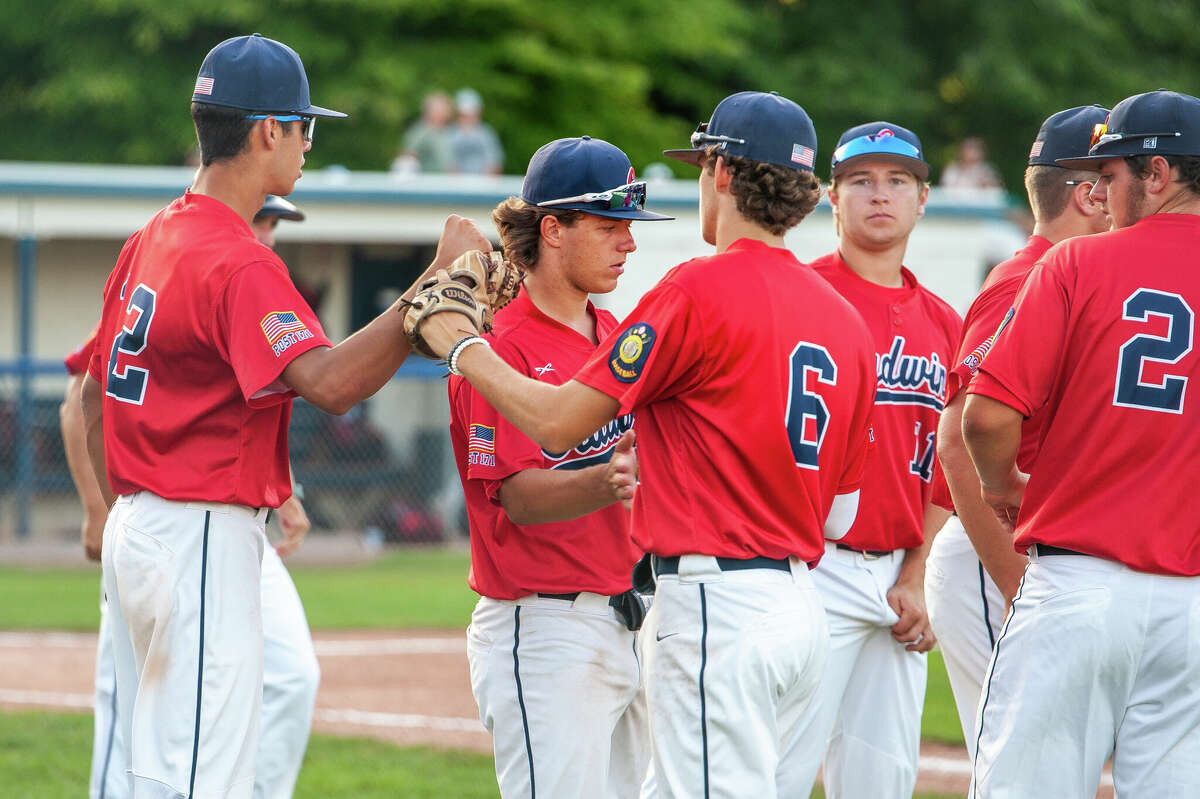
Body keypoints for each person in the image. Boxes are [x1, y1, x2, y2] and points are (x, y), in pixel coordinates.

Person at [416, 90, 878, 799]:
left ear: (722, 173)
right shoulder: (845, 317)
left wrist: (462, 347)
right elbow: (842, 514)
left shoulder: (689, 293)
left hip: (712, 606)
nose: (628, 240)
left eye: (701, 166)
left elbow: (563, 420)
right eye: (610, 223)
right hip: (791, 609)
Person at [80, 33, 489, 798]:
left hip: (141, 524)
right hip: (196, 532)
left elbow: (95, 395)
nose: (305, 142)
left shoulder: (152, 237)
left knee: (151, 772)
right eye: (304, 127)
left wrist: (128, 506)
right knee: (197, 778)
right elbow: (330, 383)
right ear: (267, 129)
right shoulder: (238, 257)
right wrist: (429, 285)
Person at [962, 89, 1200, 798]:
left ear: (1157, 174)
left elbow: (985, 416)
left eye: (1115, 174)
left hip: (1079, 585)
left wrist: (1001, 485)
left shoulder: (1075, 265)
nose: (1103, 191)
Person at [64, 192, 334, 799]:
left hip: (213, 519)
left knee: (282, 683)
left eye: (274, 223)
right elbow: (85, 394)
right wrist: (97, 510)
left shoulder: (192, 254)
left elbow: (231, 401)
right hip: (172, 518)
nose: (268, 231)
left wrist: (280, 486)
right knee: (150, 729)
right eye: (262, 217)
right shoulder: (209, 262)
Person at [450, 136, 671, 799]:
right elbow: (516, 496)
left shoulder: (616, 333)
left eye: (628, 228)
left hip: (628, 616)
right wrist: (608, 478)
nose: (627, 244)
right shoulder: (501, 350)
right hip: (545, 628)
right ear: (552, 229)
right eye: (609, 226)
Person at [776, 122, 962, 799]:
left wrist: (918, 575)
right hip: (808, 565)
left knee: (882, 781)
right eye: (860, 181)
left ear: (922, 199)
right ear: (831, 197)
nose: (879, 195)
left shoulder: (945, 322)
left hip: (897, 576)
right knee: (778, 770)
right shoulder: (795, 292)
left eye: (897, 181)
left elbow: (949, 463)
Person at [926, 105, 1110, 753]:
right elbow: (954, 440)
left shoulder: (1081, 279)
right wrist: (1015, 587)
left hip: (1029, 551)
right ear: (1088, 194)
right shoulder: (1023, 281)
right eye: (1117, 177)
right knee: (1019, 763)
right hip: (993, 553)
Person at [391, 91, 454, 174]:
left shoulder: (446, 132)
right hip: (426, 183)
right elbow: (406, 158)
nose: (445, 112)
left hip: (445, 182)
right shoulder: (419, 132)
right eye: (440, 109)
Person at [448, 88, 504, 175]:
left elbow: (495, 164)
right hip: (456, 186)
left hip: (483, 185)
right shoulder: (450, 133)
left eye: (472, 114)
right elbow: (448, 164)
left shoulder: (487, 133)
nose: (468, 118)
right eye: (464, 115)